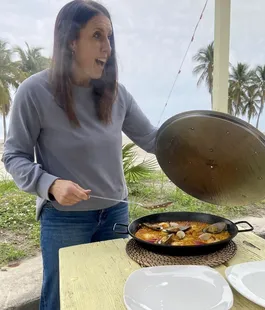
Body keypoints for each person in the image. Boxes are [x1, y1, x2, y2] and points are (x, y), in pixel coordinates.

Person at [2, 1, 158, 309]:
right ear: (71, 41)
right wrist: (51, 185)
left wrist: (199, 136)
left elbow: (153, 139)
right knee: (61, 300)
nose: (107, 47)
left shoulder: (117, 93)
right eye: (97, 36)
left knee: (111, 294)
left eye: (110, 37)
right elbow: (14, 155)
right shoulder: (34, 92)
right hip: (64, 221)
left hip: (115, 215)